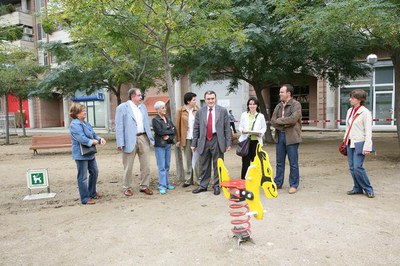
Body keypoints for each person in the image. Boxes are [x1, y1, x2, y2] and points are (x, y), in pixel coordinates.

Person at [115, 88, 155, 196]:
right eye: (139, 95)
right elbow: (119, 126)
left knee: (146, 165)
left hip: (143, 138)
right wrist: (120, 142)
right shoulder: (122, 108)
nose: (141, 97)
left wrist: (150, 138)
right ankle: (127, 187)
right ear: (132, 97)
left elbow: (146, 123)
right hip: (129, 139)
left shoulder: (143, 107)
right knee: (128, 166)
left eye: (141, 95)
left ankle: (144, 186)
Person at [191, 90, 232, 195]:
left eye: (212, 98)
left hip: (217, 140)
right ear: (205, 100)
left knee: (217, 164)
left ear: (215, 99)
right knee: (204, 165)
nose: (210, 101)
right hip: (203, 140)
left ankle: (217, 186)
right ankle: (203, 185)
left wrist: (228, 143)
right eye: (208, 99)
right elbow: (196, 128)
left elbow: (227, 128)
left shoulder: (222, 111)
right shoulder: (200, 112)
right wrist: (194, 143)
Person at [69, 103, 106, 205]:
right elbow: (82, 139)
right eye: (82, 110)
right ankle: (85, 198)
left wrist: (99, 138)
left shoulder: (86, 123)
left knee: (94, 172)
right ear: (76, 113)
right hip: (81, 154)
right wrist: (93, 142)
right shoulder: (75, 125)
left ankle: (92, 192)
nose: (85, 112)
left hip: (89, 153)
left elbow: (93, 134)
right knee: (83, 177)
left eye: (84, 110)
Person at [271, 84, 302, 194]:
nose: (280, 94)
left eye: (282, 92)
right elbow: (273, 121)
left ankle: (294, 184)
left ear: (288, 93)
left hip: (292, 137)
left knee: (293, 162)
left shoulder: (296, 104)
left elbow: (293, 119)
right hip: (280, 136)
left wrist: (280, 121)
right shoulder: (278, 106)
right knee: (279, 162)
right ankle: (278, 183)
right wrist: (284, 124)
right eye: (280, 92)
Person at [344, 89, 375, 198]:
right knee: (352, 167)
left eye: (352, 97)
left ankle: (368, 188)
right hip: (349, 142)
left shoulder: (365, 112)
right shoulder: (349, 111)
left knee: (358, 167)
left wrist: (367, 147)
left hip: (360, 143)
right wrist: (344, 141)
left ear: (359, 99)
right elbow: (348, 127)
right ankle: (357, 187)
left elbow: (368, 131)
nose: (350, 99)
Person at [238, 97, 267, 179]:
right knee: (245, 162)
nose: (252, 106)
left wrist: (260, 133)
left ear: (257, 105)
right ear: (248, 105)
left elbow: (264, 128)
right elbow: (240, 126)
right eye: (250, 104)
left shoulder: (261, 116)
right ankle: (244, 179)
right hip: (246, 141)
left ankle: (255, 179)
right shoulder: (244, 115)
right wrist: (242, 130)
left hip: (256, 141)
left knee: (256, 161)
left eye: (254, 104)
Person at [176, 92, 200, 187]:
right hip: (186, 138)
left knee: (197, 160)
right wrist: (178, 139)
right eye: (194, 99)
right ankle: (188, 179)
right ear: (188, 101)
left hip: (196, 138)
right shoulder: (180, 111)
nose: (195, 101)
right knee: (188, 159)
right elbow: (178, 126)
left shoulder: (198, 109)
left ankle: (198, 179)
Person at [152, 101, 176, 195]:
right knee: (161, 166)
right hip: (160, 145)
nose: (165, 109)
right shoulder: (155, 120)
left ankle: (166, 183)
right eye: (162, 108)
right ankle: (162, 185)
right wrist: (168, 131)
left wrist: (168, 135)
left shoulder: (167, 118)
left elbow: (174, 130)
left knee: (167, 165)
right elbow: (159, 132)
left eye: (165, 107)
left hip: (168, 144)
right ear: (157, 110)